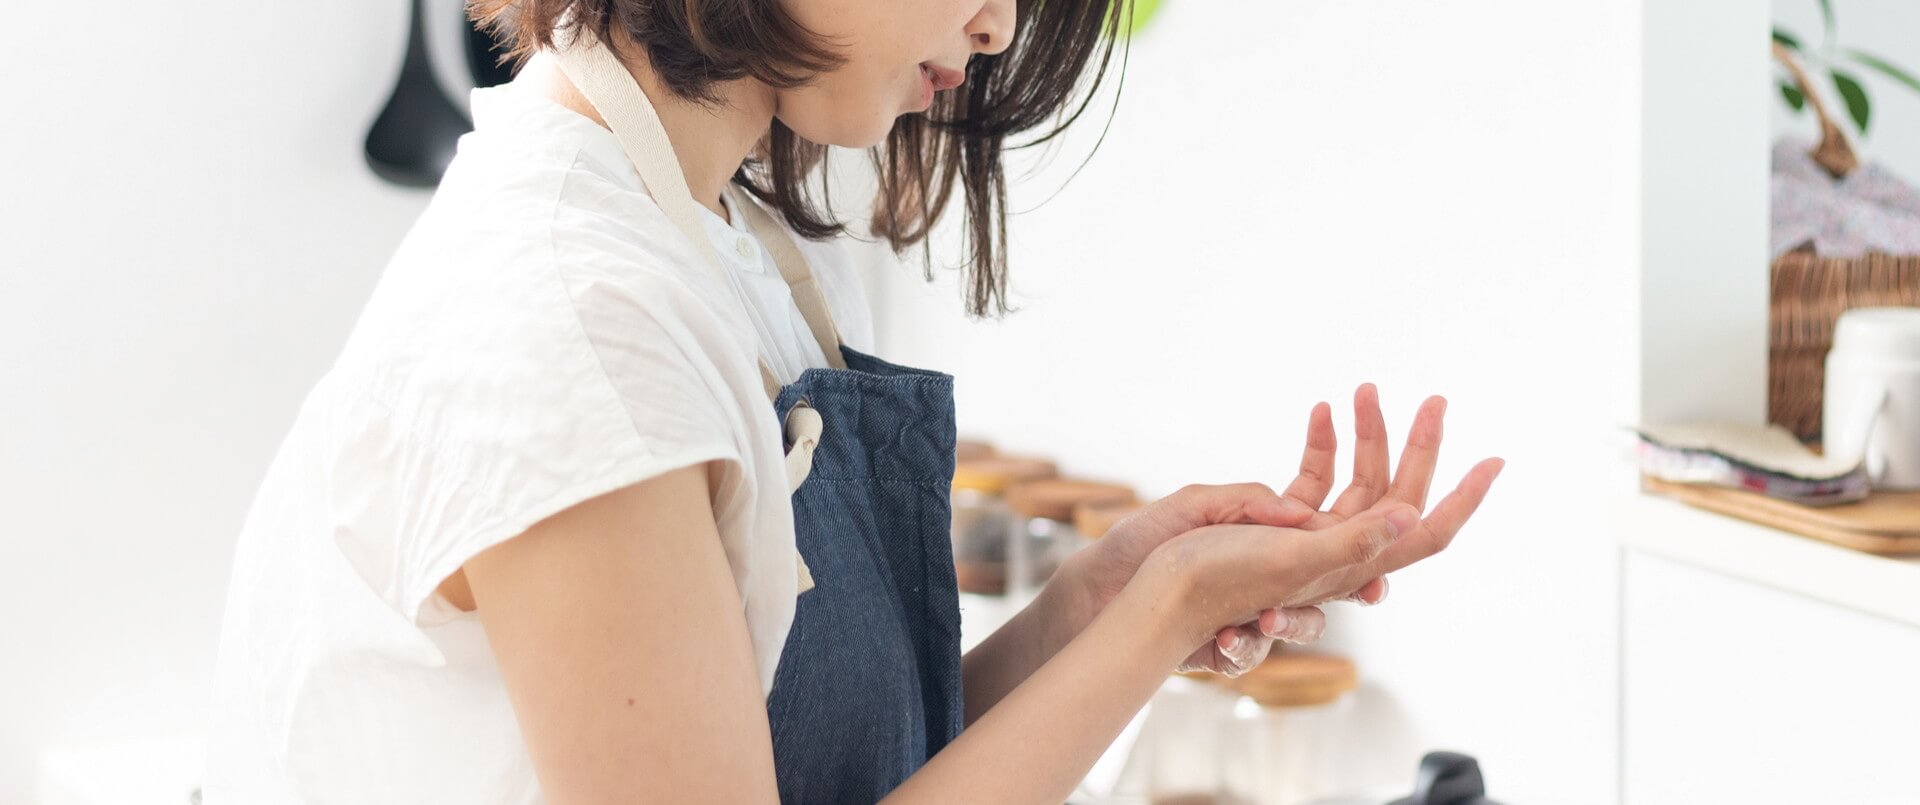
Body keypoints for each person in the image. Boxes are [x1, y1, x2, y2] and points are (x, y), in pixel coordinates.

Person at [203, 0, 1505, 801]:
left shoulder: (728, 244)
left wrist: (1099, 608)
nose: (996, 23)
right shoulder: (576, 331)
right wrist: (1156, 619)